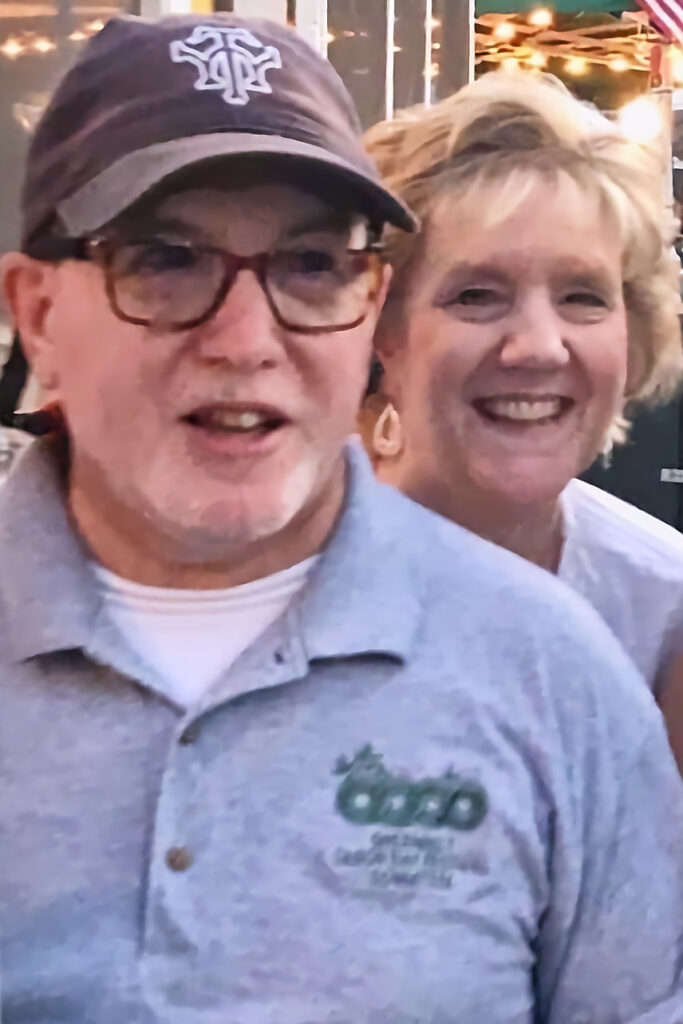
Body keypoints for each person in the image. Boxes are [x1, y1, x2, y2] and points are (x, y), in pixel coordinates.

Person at [2, 16, 683, 1023]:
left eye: (311, 266)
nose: (244, 337)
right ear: (39, 315)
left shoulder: (566, 671)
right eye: (165, 259)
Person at [363, 72, 683, 733]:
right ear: (382, 328)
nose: (538, 348)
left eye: (582, 297)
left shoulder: (663, 614)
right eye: (475, 295)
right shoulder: (260, 580)